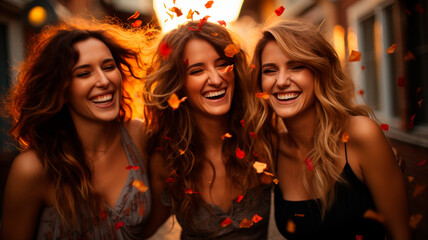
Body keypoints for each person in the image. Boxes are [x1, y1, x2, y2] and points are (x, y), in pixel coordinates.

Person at [250, 19, 410, 240]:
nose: (282, 81)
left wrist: (382, 155)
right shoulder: (270, 150)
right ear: (259, 84)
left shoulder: (361, 135)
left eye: (296, 66)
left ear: (320, 72)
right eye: (270, 70)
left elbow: (401, 235)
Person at [0, 18, 153, 239]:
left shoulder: (139, 135)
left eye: (108, 67)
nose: (103, 81)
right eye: (84, 73)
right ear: (61, 91)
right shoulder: (33, 168)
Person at [143, 20, 273, 239]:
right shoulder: (165, 159)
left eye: (222, 64)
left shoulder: (265, 137)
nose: (215, 79)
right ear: (178, 84)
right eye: (197, 70)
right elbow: (142, 230)